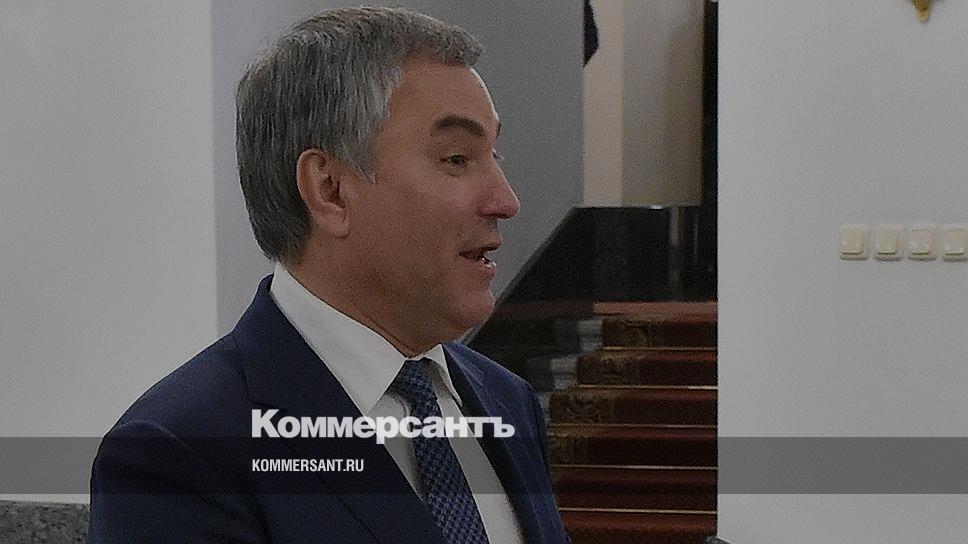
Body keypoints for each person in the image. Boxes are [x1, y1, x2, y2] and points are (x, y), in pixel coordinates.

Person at [87, 6, 569, 544]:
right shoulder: (180, 454)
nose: (506, 200)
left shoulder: (507, 402)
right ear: (330, 190)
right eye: (457, 159)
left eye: (494, 156)